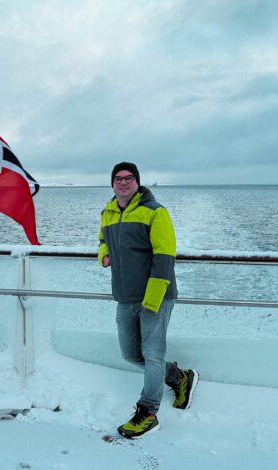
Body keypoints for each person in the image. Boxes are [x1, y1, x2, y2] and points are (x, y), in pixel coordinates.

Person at [98, 162, 198, 439]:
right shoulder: (107, 212)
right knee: (131, 353)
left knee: (153, 354)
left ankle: (148, 412)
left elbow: (165, 257)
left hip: (156, 296)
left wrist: (152, 299)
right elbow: (101, 240)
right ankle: (180, 378)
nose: (123, 182)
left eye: (129, 178)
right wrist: (104, 255)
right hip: (125, 296)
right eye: (118, 178)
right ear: (112, 183)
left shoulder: (156, 212)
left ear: (138, 182)